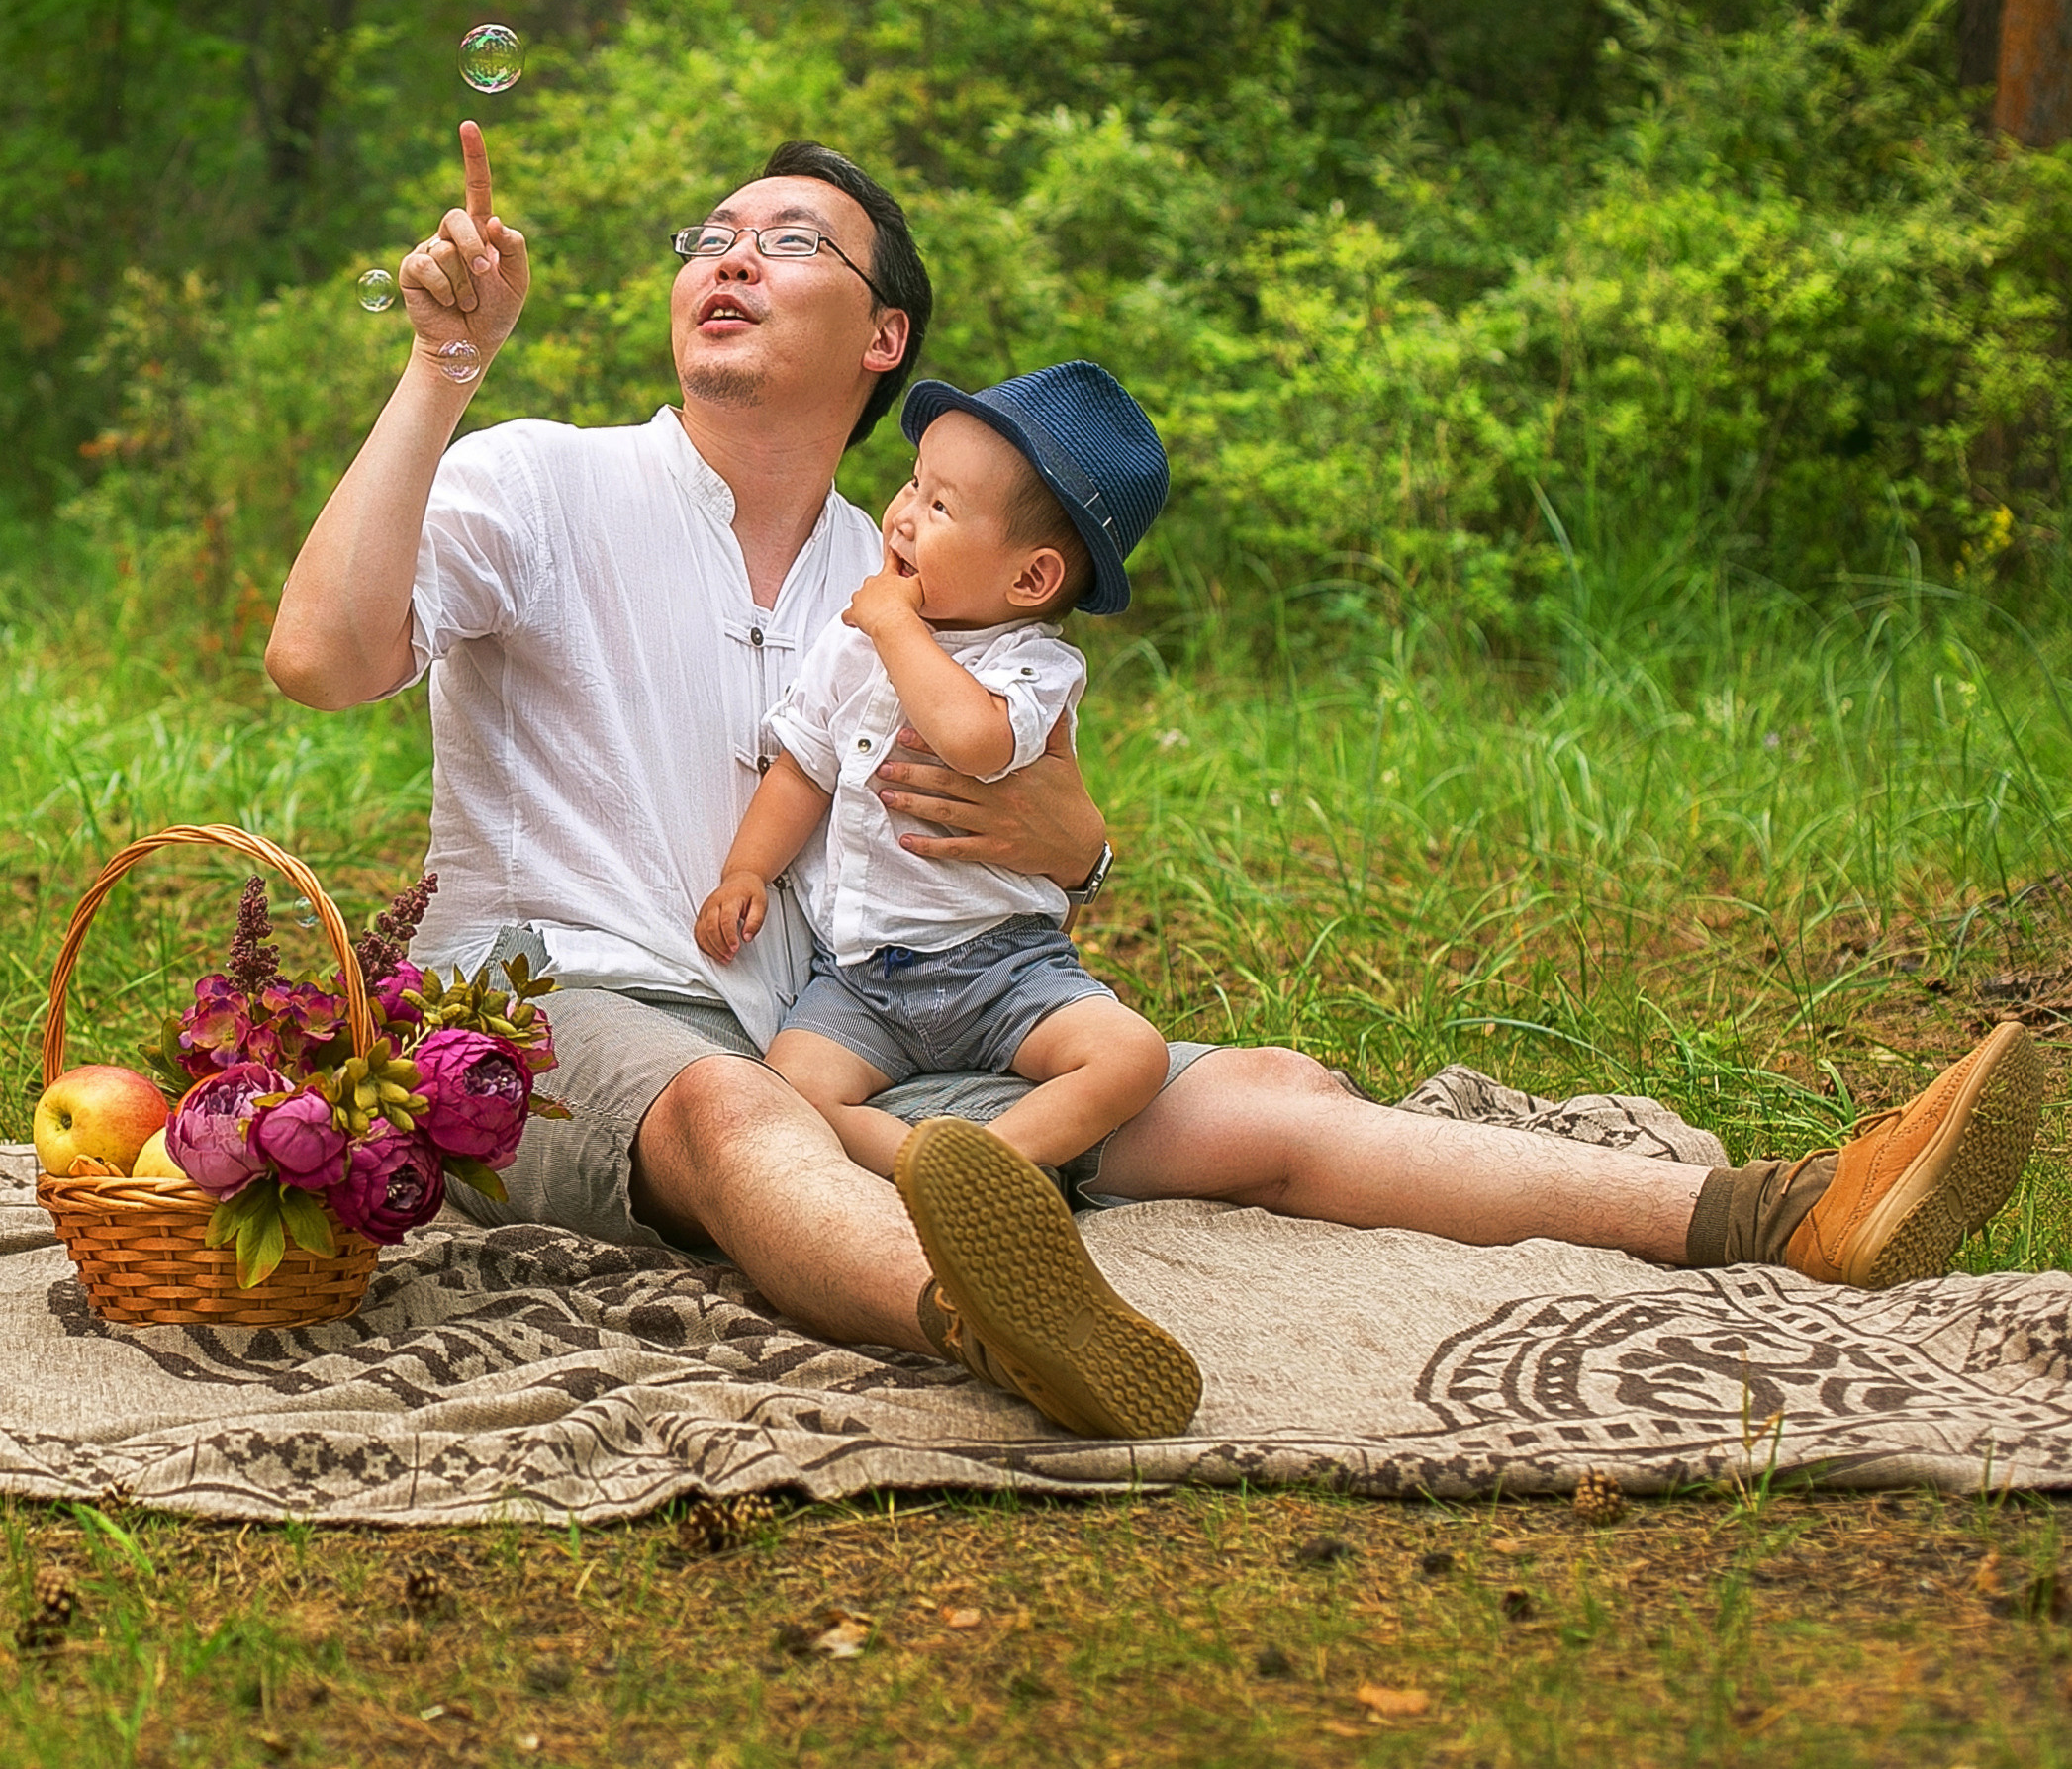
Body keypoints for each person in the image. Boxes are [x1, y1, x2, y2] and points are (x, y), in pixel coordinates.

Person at [266, 123, 2045, 1443]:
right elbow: (321, 660)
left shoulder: (908, 575)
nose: (724, 255)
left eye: (787, 240)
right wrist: (442, 367)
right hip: (566, 1007)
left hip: (842, 1012)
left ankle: (1769, 1211)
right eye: (705, 234)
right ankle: (997, 1314)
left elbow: (1029, 826)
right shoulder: (535, 480)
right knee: (742, 1123)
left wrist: (1078, 842)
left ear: (881, 338)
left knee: (1255, 1096)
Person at [696, 361, 1175, 1182]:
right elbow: (803, 771)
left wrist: (893, 626)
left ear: (1032, 579)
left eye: (942, 505)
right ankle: (938, 1170)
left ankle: (1006, 1156)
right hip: (860, 977)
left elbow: (976, 741)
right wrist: (746, 869)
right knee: (791, 1087)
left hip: (1000, 966)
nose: (906, 516)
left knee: (1132, 1054)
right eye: (914, 486)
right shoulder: (852, 648)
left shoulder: (1031, 662)